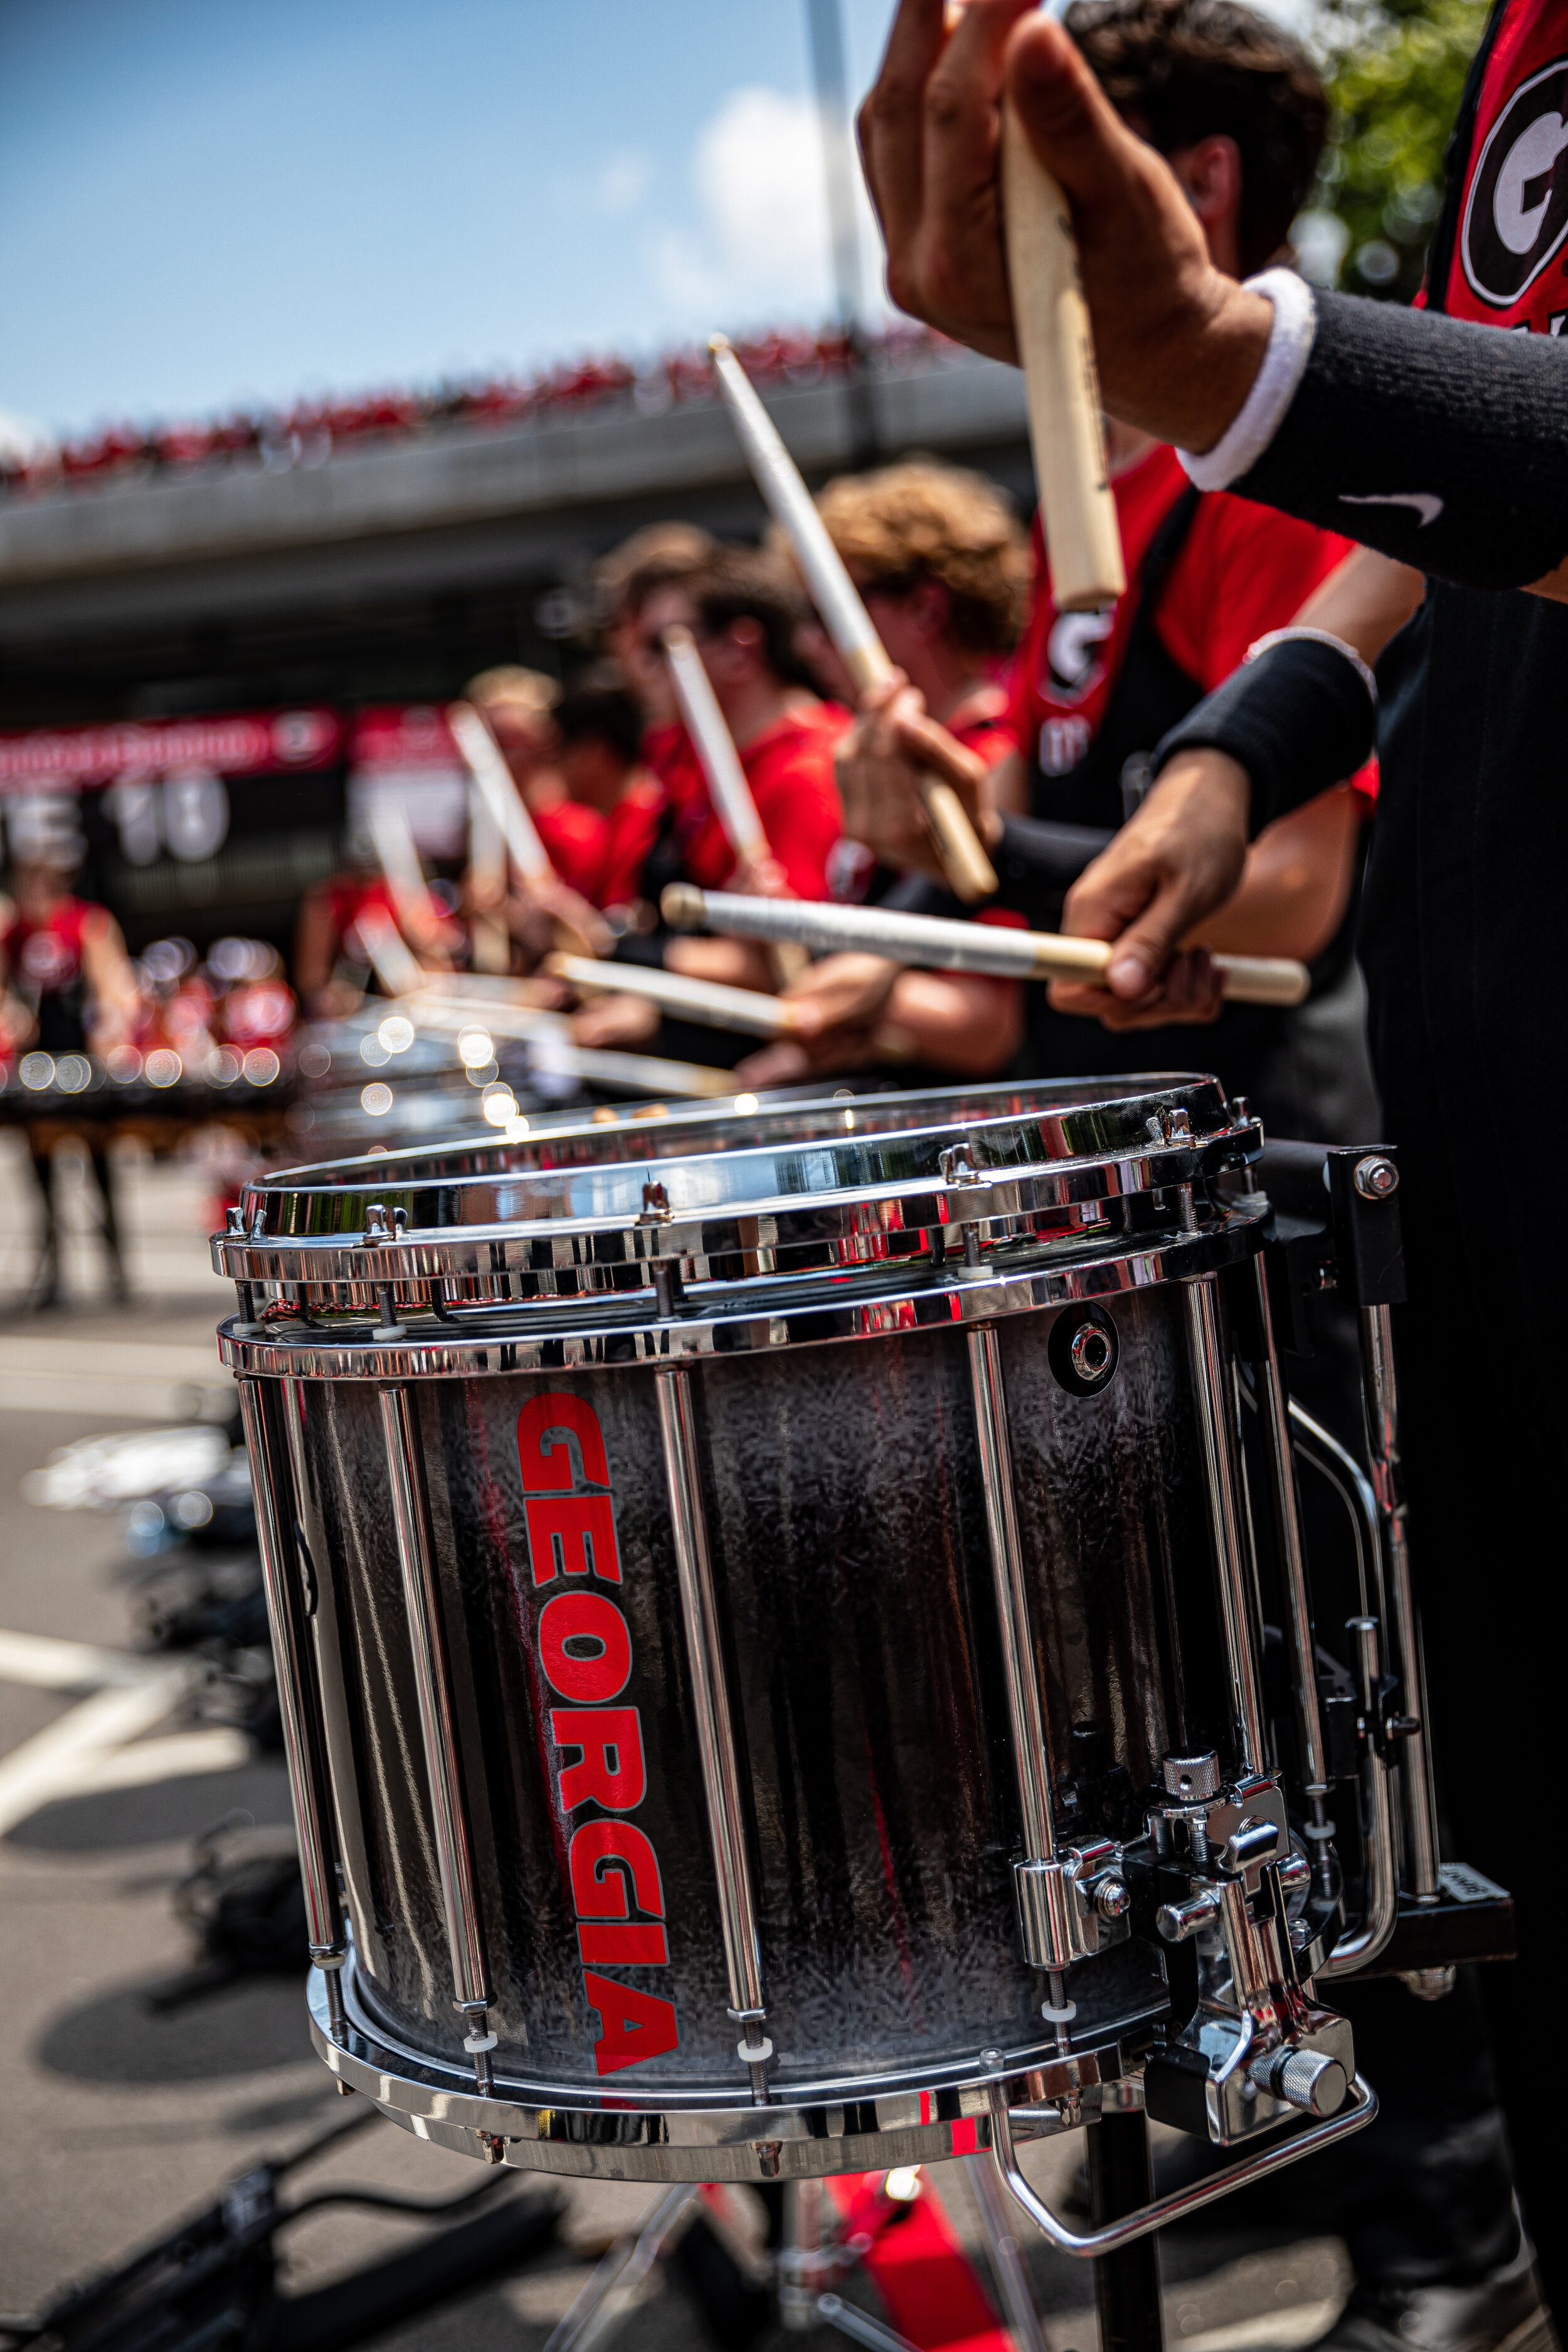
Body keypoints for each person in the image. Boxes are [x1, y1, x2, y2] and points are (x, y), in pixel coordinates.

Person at [857, 0, 1566, 2334]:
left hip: (1314, 1172)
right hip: (1477, 1179)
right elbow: (1497, 439)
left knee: (1342, 1769)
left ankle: (1427, 2225)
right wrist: (1241, 746)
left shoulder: (1228, 460)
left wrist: (1239, 373)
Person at [810, 0, 1377, 1131]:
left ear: (1199, 187)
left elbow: (1293, 899)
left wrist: (1001, 861)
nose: (993, 227)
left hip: (1263, 1148)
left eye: (1035, 178)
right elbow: (1026, 787)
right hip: (1121, 1122)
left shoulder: (1268, 486)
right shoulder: (1082, 508)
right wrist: (917, 887)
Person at [571, 549, 847, 1059]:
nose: (638, 663)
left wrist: (620, 956)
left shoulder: (809, 771)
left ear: (739, 649)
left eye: (661, 644)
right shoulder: (712, 768)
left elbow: (792, 970)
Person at [1, 854, 140, 1306]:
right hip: (35, 1062)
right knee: (41, 1171)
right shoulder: (13, 930)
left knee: (99, 1167)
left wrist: (109, 1024)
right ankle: (54, 1274)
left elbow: (114, 986)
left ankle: (117, 1270)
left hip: (81, 1058)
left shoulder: (85, 922)